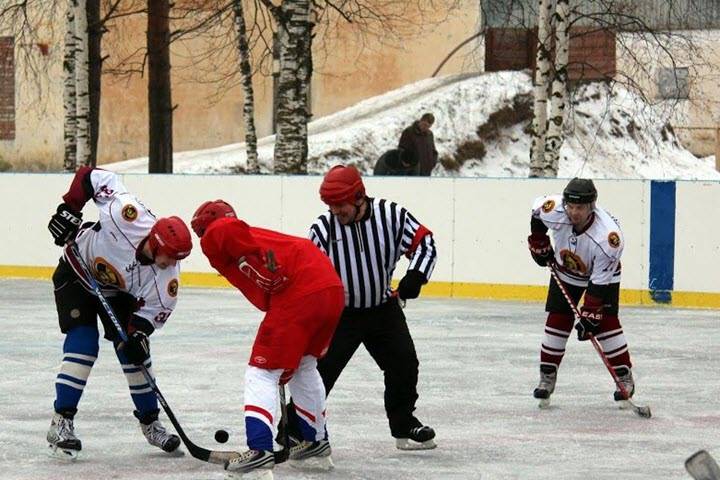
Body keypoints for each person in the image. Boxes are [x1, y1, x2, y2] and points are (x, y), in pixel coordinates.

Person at [282, 165, 438, 451]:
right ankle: (294, 429)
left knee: (404, 363)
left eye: (340, 205)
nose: (335, 211)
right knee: (320, 374)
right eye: (330, 205)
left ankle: (403, 425)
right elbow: (305, 272)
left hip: (382, 309)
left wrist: (416, 275)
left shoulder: (391, 215)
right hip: (339, 315)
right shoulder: (322, 228)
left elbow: (424, 242)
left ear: (358, 197)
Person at [46, 167, 193, 460]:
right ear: (156, 243)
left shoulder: (166, 280)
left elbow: (149, 315)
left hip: (116, 293)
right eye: (171, 257)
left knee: (135, 353)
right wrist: (70, 208)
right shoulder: (127, 215)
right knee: (84, 346)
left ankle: (151, 424)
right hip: (77, 272)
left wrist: (138, 334)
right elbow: (91, 175)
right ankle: (61, 422)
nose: (173, 264)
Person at [190, 200, 345, 477]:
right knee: (306, 367)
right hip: (329, 288)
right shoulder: (258, 237)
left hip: (300, 292)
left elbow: (223, 231)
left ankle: (259, 451)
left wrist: (264, 266)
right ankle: (315, 442)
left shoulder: (218, 232)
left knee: (261, 372)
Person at [527, 178, 636, 407]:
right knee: (558, 319)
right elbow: (537, 215)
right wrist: (538, 240)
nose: (574, 213)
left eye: (580, 208)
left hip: (602, 276)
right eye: (571, 206)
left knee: (605, 322)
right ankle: (547, 376)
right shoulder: (554, 208)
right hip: (566, 270)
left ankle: (624, 376)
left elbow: (598, 283)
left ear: (592, 207)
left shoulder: (608, 239)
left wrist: (591, 311)